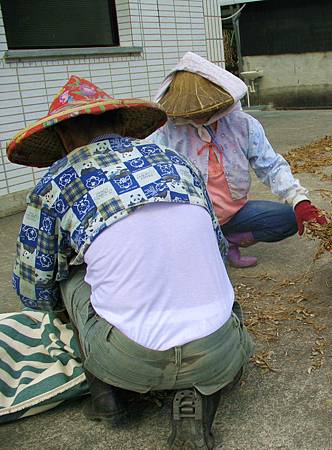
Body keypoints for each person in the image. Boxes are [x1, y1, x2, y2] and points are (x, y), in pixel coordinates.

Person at [8, 76, 253, 449]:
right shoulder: (176, 162)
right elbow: (218, 251)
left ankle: (105, 392)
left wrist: (67, 304)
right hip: (220, 349)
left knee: (68, 278)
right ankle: (196, 394)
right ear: (121, 124)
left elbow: (34, 287)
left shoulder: (54, 183)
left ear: (64, 139)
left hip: (128, 359)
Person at [150, 52, 326, 268]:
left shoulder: (241, 125)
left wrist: (299, 199)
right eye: (190, 112)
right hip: (194, 217)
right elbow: (152, 177)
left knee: (288, 219)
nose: (196, 116)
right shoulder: (166, 132)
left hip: (235, 213)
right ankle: (208, 244)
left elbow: (270, 165)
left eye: (202, 109)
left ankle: (227, 241)